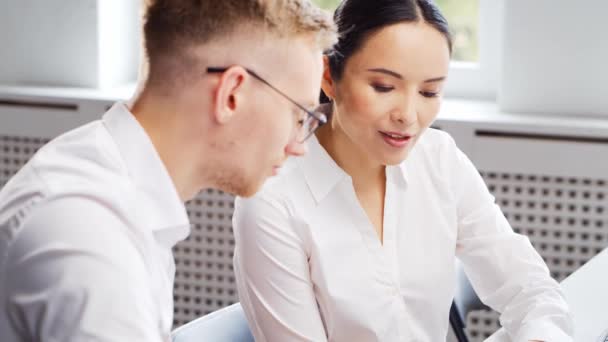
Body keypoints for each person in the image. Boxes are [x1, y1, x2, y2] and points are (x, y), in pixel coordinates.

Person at [232, 0, 573, 341]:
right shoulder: (272, 199)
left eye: (429, 91)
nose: (408, 115)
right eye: (384, 87)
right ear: (328, 77)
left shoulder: (439, 160)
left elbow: (531, 291)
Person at [0, 1, 336, 341]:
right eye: (299, 116)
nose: (299, 145)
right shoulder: (89, 236)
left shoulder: (110, 175)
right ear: (231, 94)